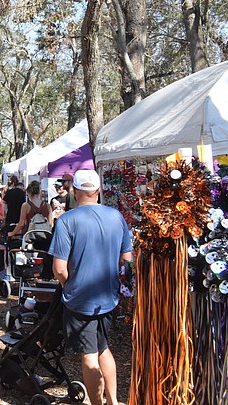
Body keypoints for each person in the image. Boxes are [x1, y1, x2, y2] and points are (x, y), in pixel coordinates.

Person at [50, 170, 132, 405]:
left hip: (80, 299)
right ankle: (113, 401)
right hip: (107, 296)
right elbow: (126, 257)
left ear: (75, 192)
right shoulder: (116, 216)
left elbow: (59, 269)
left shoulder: (67, 220)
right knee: (103, 348)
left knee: (89, 354)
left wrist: (69, 285)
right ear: (98, 191)